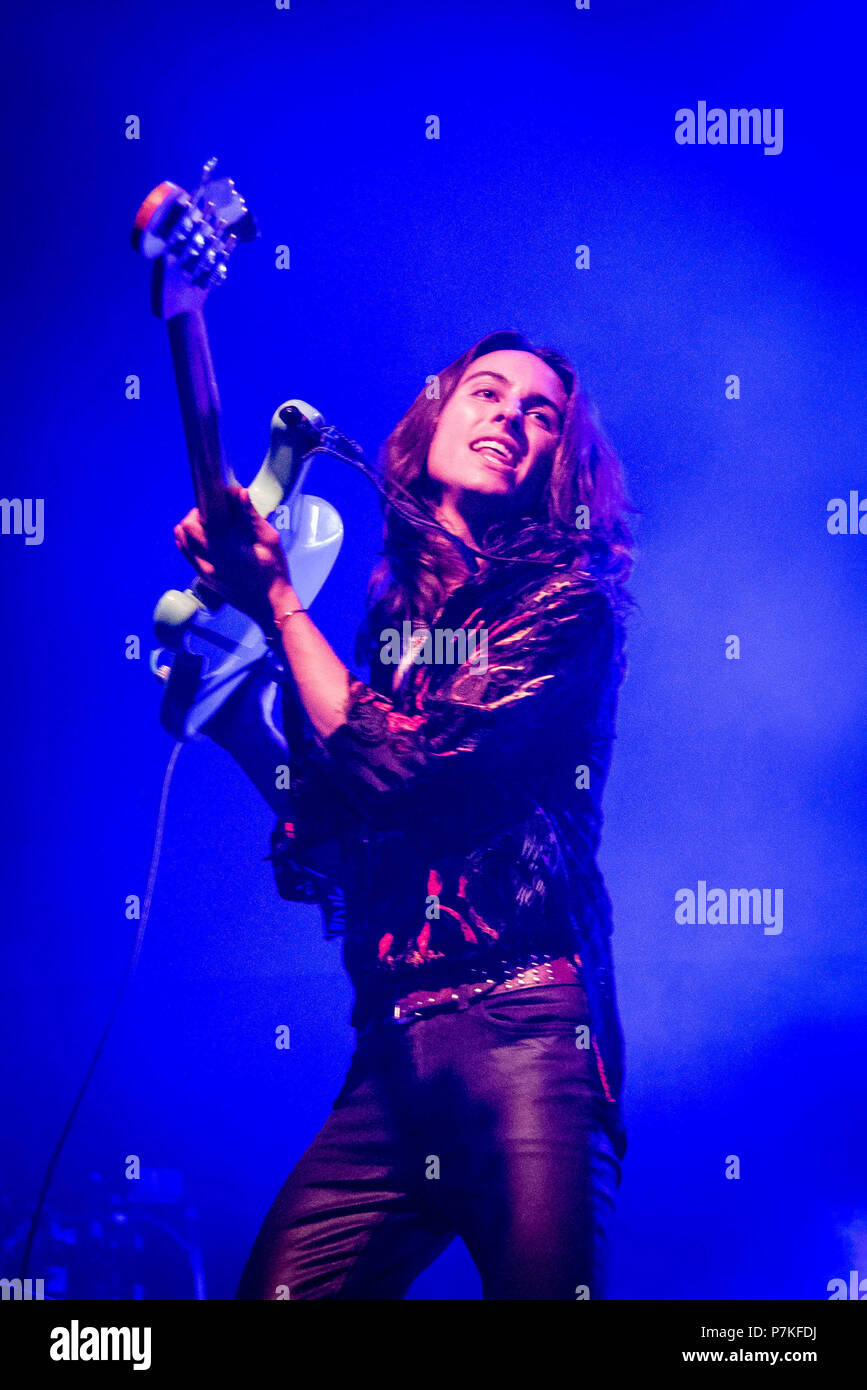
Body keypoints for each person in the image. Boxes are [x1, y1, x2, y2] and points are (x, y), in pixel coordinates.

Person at [173, 329, 635, 1300]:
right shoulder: (398, 625)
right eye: (485, 391)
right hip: (388, 1058)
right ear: (435, 414)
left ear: (560, 464)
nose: (508, 416)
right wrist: (261, 664)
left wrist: (279, 610)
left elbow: (409, 767)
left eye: (539, 414)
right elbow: (342, 835)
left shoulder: (568, 602)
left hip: (525, 1044)